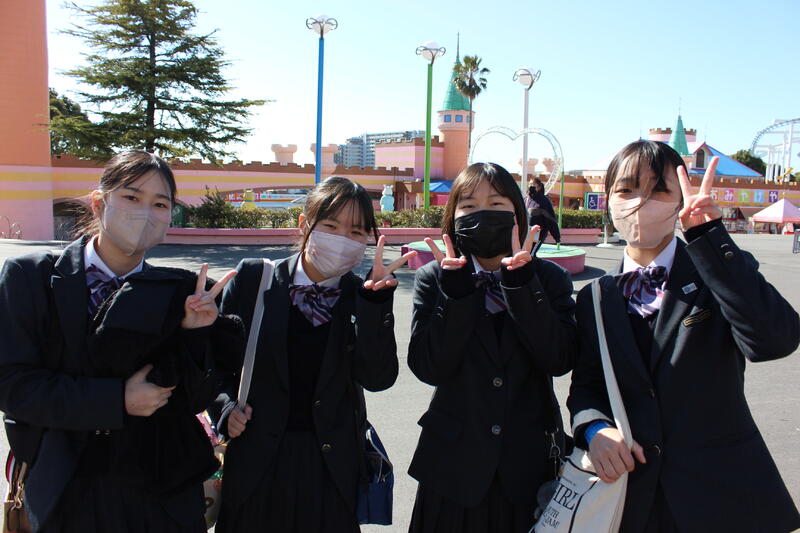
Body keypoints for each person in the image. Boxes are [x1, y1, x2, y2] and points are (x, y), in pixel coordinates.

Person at [0, 150, 241, 532]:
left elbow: (195, 400)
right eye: (131, 197)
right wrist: (116, 400)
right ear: (99, 203)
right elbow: (14, 387)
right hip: (68, 492)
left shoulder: (179, 290)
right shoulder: (31, 278)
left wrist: (194, 333)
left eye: (160, 204)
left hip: (163, 497)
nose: (145, 213)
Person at [568, 140, 800, 533]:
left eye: (659, 190)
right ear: (608, 199)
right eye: (626, 189)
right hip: (632, 498)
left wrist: (709, 236)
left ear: (680, 201)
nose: (641, 202)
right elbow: (587, 385)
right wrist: (593, 429)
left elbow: (775, 339)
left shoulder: (717, 269)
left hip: (721, 495)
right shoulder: (595, 296)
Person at [210, 177, 414, 532]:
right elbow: (213, 363)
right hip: (257, 461)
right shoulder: (254, 279)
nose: (342, 238)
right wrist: (225, 408)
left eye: (356, 231)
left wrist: (375, 304)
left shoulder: (362, 294)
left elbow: (377, 379)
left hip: (331, 469)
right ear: (305, 224)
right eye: (331, 226)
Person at [407, 162, 578, 533]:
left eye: (497, 204)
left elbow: (559, 359)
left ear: (518, 213)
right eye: (469, 205)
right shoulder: (434, 278)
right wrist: (455, 297)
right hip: (452, 471)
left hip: (529, 470)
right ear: (453, 218)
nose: (482, 213)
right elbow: (429, 367)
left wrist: (521, 286)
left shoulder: (549, 278)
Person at [525, 178, 560, 254]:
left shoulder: (544, 201)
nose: (531, 186)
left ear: (539, 187)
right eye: (530, 184)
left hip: (538, 235)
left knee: (531, 255)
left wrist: (556, 236)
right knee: (524, 255)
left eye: (533, 185)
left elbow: (551, 219)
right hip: (526, 234)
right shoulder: (526, 200)